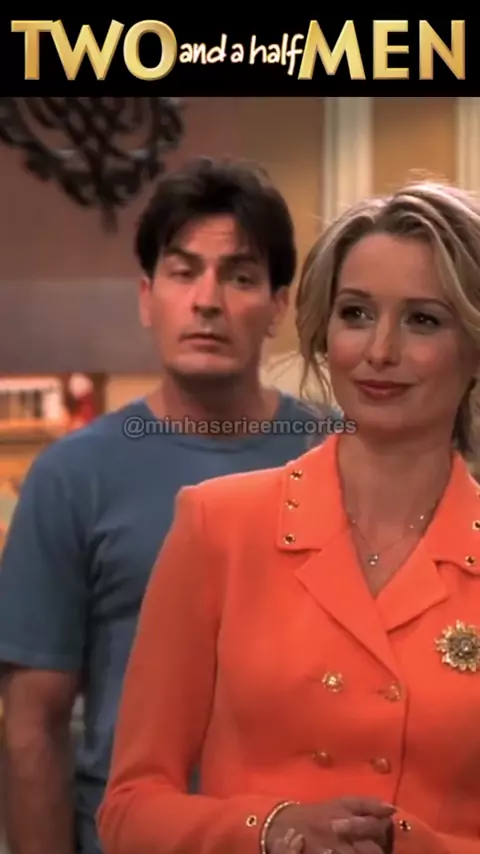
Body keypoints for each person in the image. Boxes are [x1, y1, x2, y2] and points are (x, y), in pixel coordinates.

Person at [98, 179, 480, 854]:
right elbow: (129, 810)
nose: (380, 351)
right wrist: (269, 829)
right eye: (356, 313)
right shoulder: (218, 525)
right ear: (323, 333)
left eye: (423, 320)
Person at [0, 158, 336, 854]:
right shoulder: (72, 476)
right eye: (184, 273)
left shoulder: (342, 456)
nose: (207, 301)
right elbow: (33, 723)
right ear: (147, 298)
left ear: (278, 306)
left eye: (239, 277)